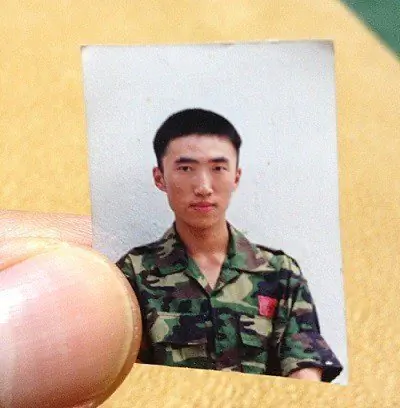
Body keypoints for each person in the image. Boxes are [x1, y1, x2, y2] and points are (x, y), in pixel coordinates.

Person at [116, 108, 343, 382]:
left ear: (236, 176)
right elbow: (124, 380)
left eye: (218, 168)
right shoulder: (133, 275)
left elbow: (304, 377)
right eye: (186, 168)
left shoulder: (279, 275)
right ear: (159, 177)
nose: (203, 187)